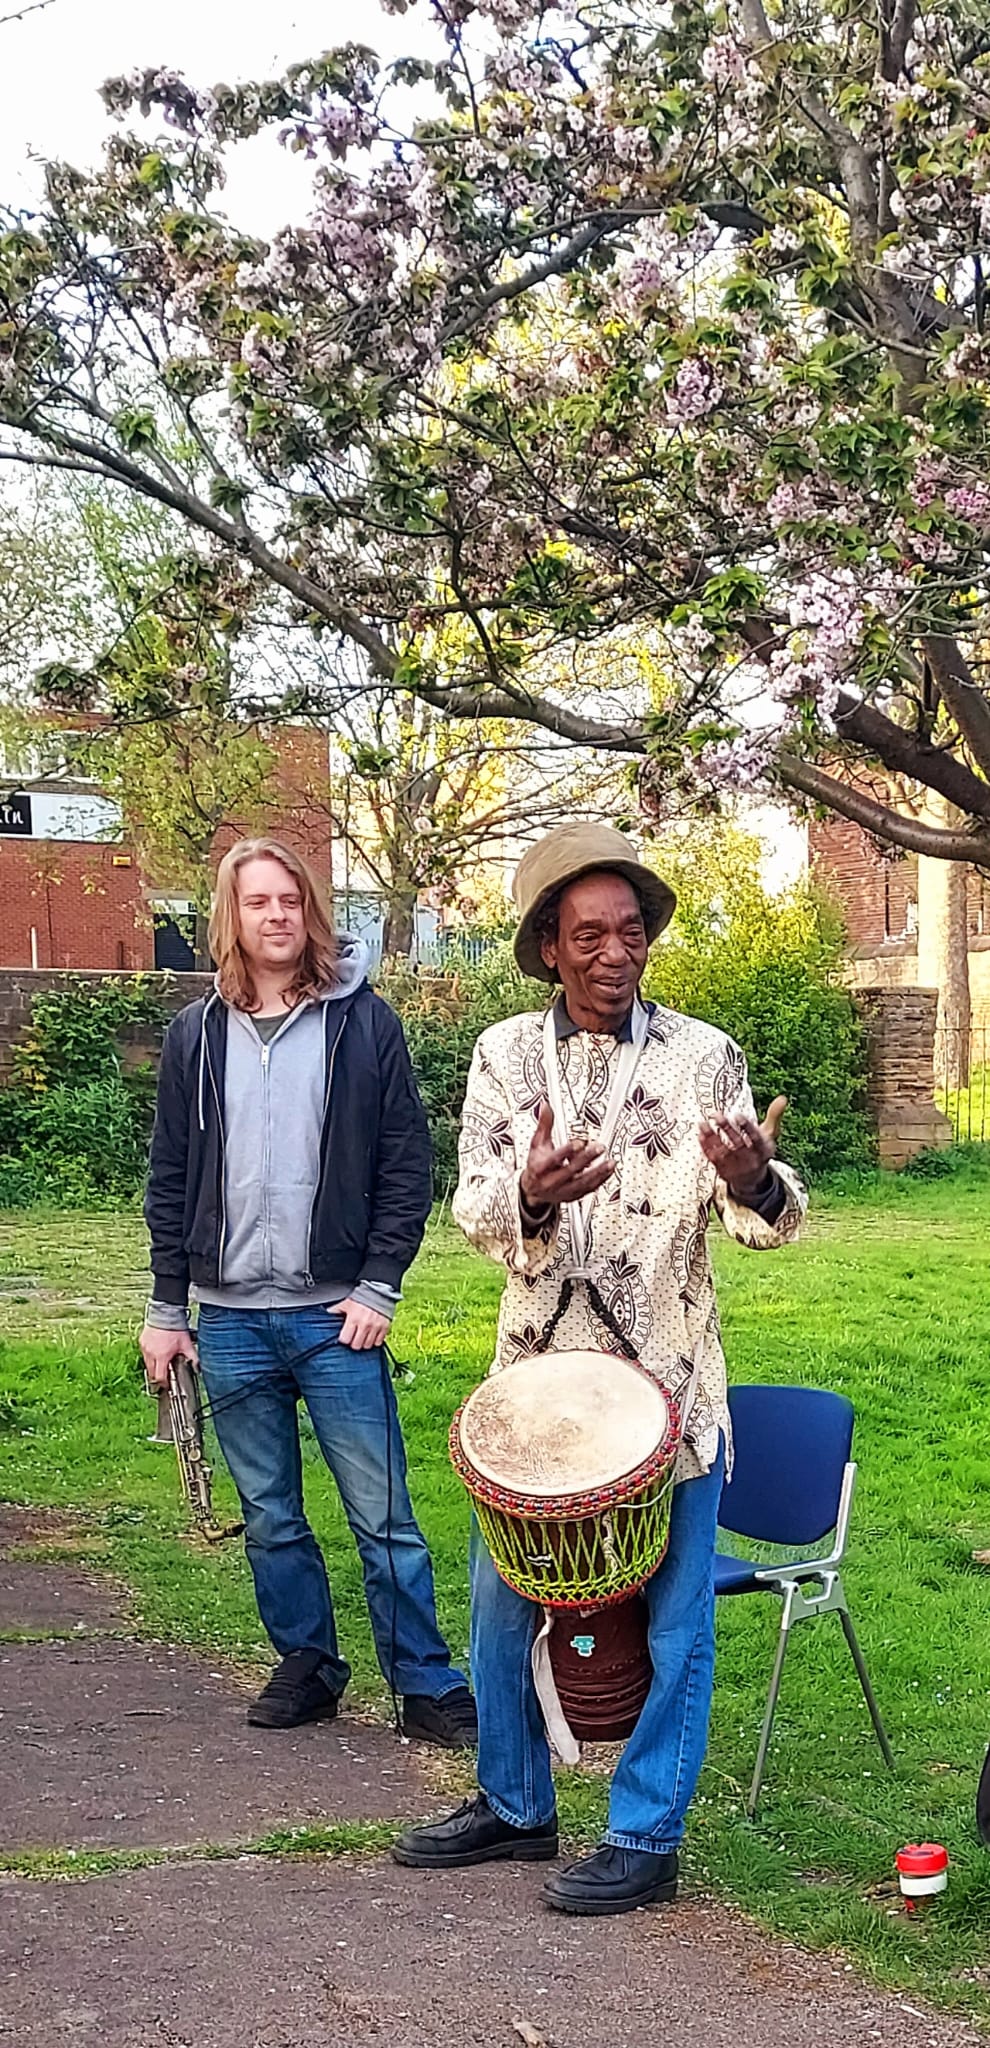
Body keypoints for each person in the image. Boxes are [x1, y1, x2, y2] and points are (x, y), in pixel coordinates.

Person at [394, 822, 805, 1910]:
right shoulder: (502, 1057)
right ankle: (515, 1805)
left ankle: (645, 1832)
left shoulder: (704, 1054)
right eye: (589, 934)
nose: (615, 953)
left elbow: (764, 1213)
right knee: (495, 1603)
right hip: (533, 1394)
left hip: (670, 1388)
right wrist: (530, 1191)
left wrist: (757, 1182)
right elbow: (473, 1206)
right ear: (546, 946)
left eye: (632, 932)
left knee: (676, 1621)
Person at [139, 837, 476, 1747]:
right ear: (232, 917)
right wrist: (169, 1309)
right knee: (270, 1515)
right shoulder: (195, 1035)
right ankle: (309, 1665)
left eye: (290, 899)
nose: (276, 915)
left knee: (385, 1515)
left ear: (311, 911)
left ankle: (425, 1683)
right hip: (233, 1320)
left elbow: (407, 1165)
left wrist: (378, 1287)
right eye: (257, 902)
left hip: (339, 1319)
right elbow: (170, 1175)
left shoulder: (364, 1025)